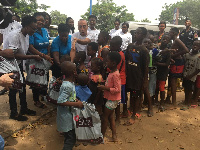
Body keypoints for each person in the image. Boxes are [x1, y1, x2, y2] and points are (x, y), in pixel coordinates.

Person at [3, 15, 42, 121]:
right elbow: (12, 54)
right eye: (33, 28)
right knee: (13, 88)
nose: (34, 30)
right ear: (26, 26)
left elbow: (26, 49)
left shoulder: (27, 34)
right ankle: (14, 113)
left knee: (22, 87)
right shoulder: (15, 35)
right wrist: (33, 56)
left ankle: (24, 108)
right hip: (11, 64)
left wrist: (39, 56)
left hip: (18, 63)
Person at [56, 61, 83, 150]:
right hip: (66, 117)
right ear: (74, 72)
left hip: (68, 115)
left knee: (69, 136)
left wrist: (75, 100)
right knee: (71, 139)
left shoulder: (68, 83)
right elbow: (60, 101)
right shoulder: (67, 86)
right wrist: (77, 104)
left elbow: (68, 96)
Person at [29, 12, 52, 108]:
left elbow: (48, 44)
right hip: (35, 59)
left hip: (45, 59)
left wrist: (48, 54)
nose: (41, 22)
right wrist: (42, 55)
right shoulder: (32, 32)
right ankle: (36, 100)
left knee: (45, 78)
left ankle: (43, 95)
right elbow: (30, 47)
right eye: (38, 20)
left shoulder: (45, 31)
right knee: (36, 80)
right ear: (34, 21)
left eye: (42, 20)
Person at [98, 51, 121, 142]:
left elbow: (117, 89)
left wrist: (105, 88)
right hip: (111, 99)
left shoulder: (115, 74)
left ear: (113, 63)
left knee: (105, 118)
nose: (106, 62)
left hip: (112, 100)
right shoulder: (112, 72)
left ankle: (101, 137)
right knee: (111, 117)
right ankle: (114, 136)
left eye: (107, 61)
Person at [134, 27, 153, 117]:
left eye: (139, 33)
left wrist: (145, 78)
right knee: (136, 90)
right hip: (135, 73)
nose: (136, 35)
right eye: (136, 33)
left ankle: (150, 107)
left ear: (144, 35)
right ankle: (136, 107)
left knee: (145, 89)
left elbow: (146, 66)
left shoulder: (144, 50)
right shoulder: (133, 45)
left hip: (142, 73)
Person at [168, 27, 189, 107]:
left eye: (170, 32)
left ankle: (174, 103)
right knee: (172, 81)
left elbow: (186, 50)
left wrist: (174, 55)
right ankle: (171, 100)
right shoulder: (174, 41)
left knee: (173, 82)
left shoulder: (177, 40)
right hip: (175, 62)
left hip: (177, 62)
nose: (169, 33)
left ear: (173, 33)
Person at [109, 36, 126, 122]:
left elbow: (116, 68)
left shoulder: (119, 55)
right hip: (117, 78)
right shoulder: (118, 53)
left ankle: (118, 118)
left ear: (118, 45)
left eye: (112, 46)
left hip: (120, 80)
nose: (110, 47)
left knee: (117, 100)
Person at [155, 35, 171, 111]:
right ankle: (155, 101)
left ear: (168, 41)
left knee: (161, 88)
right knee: (156, 87)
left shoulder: (168, 52)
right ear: (160, 40)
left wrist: (157, 63)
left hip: (163, 72)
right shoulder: (156, 49)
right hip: (156, 71)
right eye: (163, 39)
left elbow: (167, 64)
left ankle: (162, 103)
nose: (165, 40)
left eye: (167, 39)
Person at [183, 40, 200, 106]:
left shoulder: (198, 56)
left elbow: (198, 69)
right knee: (185, 88)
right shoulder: (187, 55)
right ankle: (185, 101)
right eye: (194, 45)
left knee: (190, 89)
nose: (195, 46)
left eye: (197, 45)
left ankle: (188, 103)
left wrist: (190, 76)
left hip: (192, 76)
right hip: (185, 74)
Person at [143, 38, 159, 107]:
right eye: (145, 42)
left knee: (151, 85)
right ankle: (145, 101)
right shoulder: (141, 50)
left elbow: (159, 58)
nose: (146, 44)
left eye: (148, 42)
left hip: (152, 70)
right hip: (144, 71)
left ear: (151, 44)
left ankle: (151, 101)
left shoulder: (154, 51)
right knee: (145, 86)